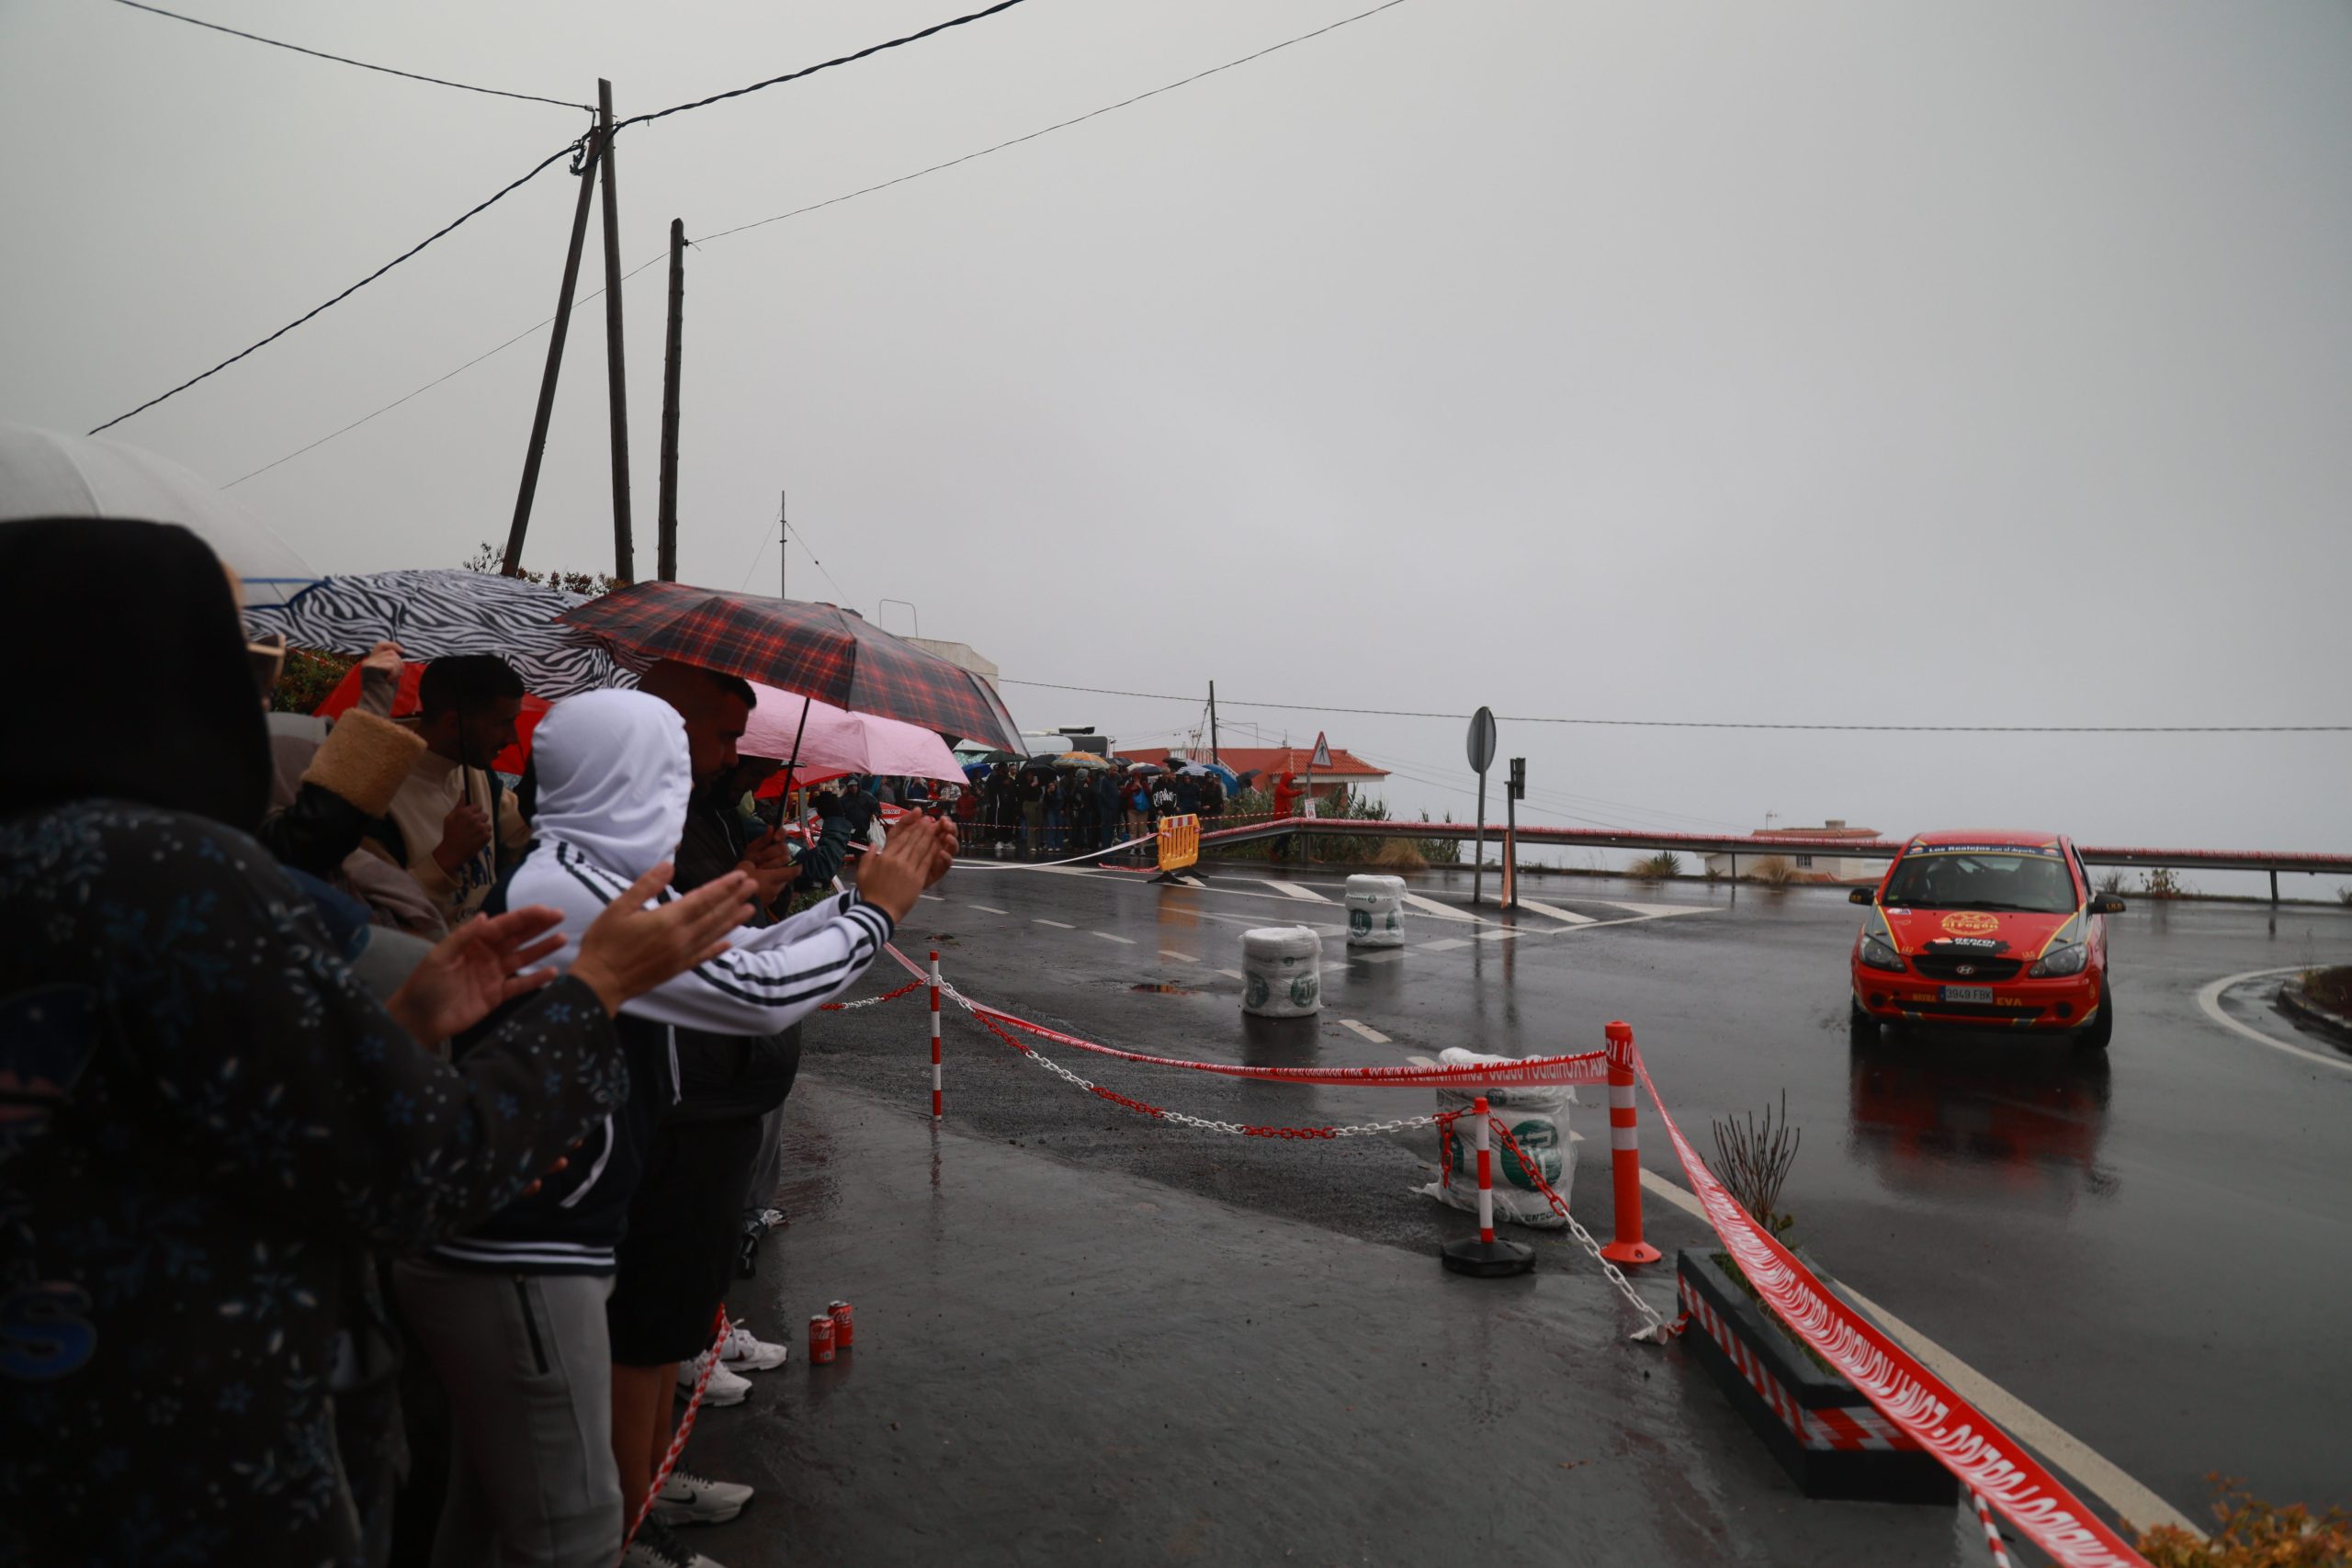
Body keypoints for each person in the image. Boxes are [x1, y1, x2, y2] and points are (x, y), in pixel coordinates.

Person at [0, 518, 753, 1568]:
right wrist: (592, 995)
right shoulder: (171, 880)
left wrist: (401, 1026)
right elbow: (412, 1169)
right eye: (238, 658)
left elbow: (187, 1113)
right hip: (191, 1468)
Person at [390, 688, 953, 1568]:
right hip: (528, 1241)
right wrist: (877, 913)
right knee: (571, 1529)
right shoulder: (571, 890)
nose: (685, 788)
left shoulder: (584, 871)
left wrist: (860, 903)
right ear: (630, 778)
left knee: (491, 1517)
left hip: (542, 1230)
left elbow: (736, 952)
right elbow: (757, 993)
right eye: (670, 773)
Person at [365, 655, 533, 927]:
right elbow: (377, 918)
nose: (513, 738)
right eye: (503, 723)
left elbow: (524, 833)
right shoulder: (372, 795)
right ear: (453, 724)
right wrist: (444, 860)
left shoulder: (477, 771)